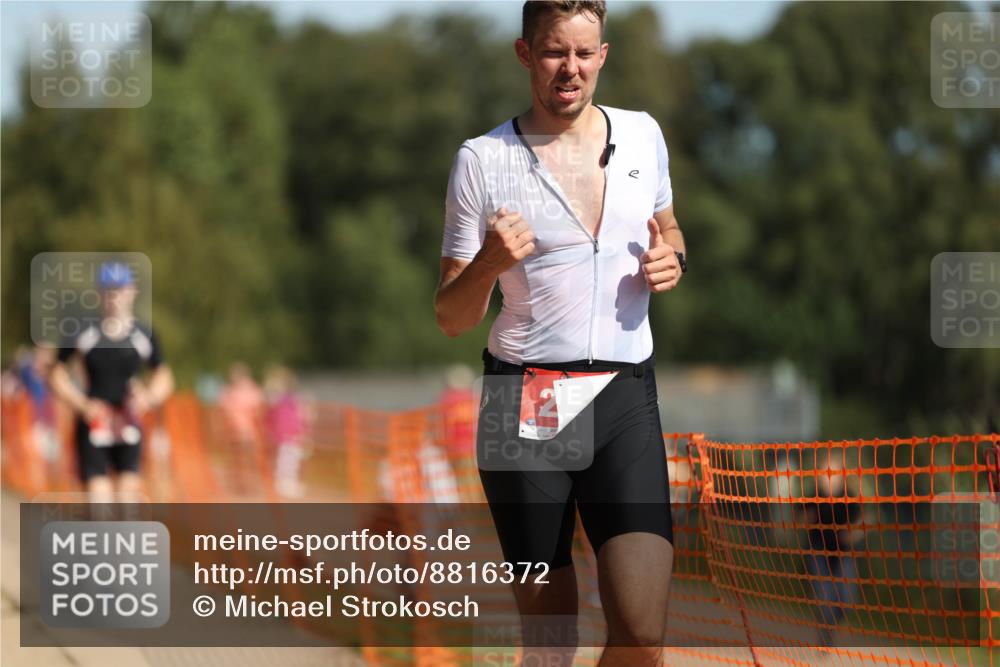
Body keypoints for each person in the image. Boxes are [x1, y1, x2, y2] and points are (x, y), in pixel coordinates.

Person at [434, 2, 686, 664]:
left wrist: (674, 259)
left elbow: (669, 228)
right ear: (525, 54)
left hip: (625, 397)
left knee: (643, 635)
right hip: (526, 400)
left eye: (583, 52)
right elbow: (451, 315)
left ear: (603, 54)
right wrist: (489, 262)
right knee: (551, 644)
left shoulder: (643, 135)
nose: (569, 68)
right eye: (553, 52)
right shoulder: (483, 159)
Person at [49, 261, 174, 503]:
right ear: (99, 293)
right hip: (94, 423)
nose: (115, 297)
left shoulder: (144, 334)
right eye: (109, 290)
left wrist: (147, 398)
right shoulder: (82, 332)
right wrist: (82, 404)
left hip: (129, 423)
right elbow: (56, 374)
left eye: (120, 290)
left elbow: (164, 376)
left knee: (127, 502)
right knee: (99, 504)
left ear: (132, 291)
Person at [218, 362, 266, 495]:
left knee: (242, 458)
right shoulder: (238, 390)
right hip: (241, 433)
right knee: (242, 458)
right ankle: (243, 483)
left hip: (243, 432)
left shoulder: (234, 391)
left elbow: (258, 410)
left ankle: (244, 483)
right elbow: (258, 409)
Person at [264, 364, 311, 498]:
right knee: (286, 460)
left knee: (292, 459)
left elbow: (302, 417)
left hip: (292, 435)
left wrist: (304, 431)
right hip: (286, 435)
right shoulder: (281, 401)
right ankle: (284, 483)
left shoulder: (292, 400)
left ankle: (288, 483)